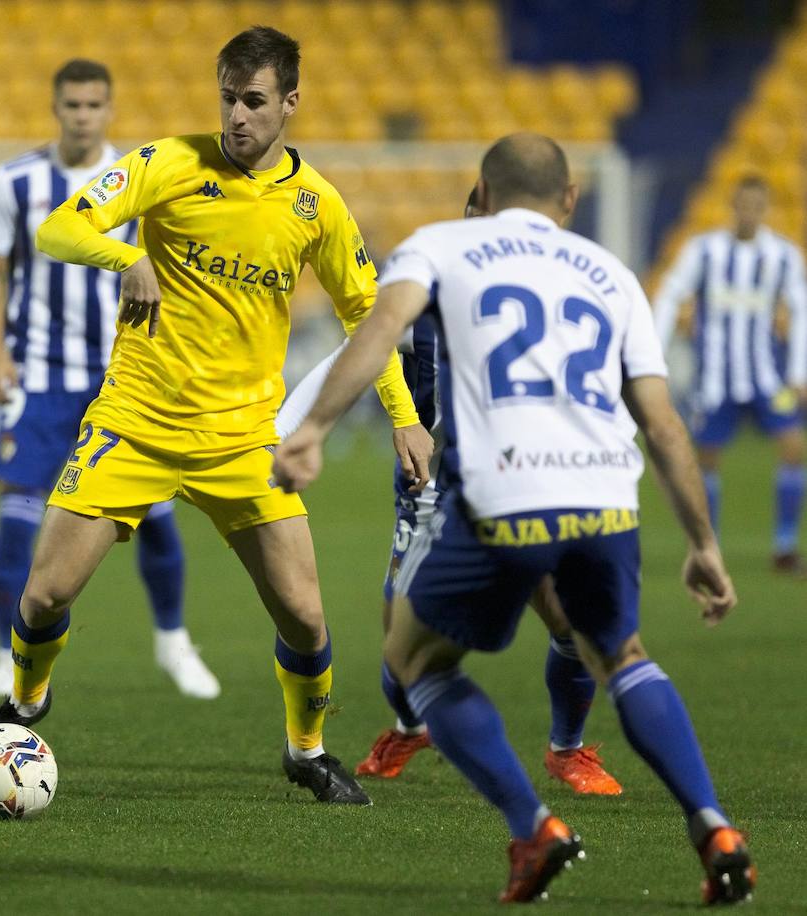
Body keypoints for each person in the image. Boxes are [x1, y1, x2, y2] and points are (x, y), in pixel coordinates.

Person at [0, 27, 434, 805]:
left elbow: (366, 315)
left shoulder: (318, 206)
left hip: (243, 437)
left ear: (290, 104)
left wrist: (404, 417)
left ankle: (306, 751)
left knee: (306, 618)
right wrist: (126, 256)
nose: (237, 117)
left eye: (254, 102)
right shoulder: (169, 162)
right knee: (43, 597)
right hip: (135, 419)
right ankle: (26, 705)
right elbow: (59, 227)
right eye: (227, 100)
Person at [274, 134, 753, 903]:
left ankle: (532, 827)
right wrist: (703, 543)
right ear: (570, 200)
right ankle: (714, 824)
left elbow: (376, 332)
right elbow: (663, 425)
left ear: (484, 196)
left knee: (417, 660)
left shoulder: (440, 247)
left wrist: (312, 430)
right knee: (623, 655)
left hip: (502, 494)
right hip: (604, 497)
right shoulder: (614, 276)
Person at [276, 188, 622, 795]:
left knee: (571, 624)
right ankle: (411, 726)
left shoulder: (542, 303)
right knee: (400, 651)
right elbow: (348, 356)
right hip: (432, 494)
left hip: (520, 483)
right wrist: (287, 432)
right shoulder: (425, 302)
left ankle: (567, 749)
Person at [0, 59, 218, 700]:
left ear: (110, 110)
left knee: (158, 517)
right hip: (40, 376)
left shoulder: (138, 180)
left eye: (94, 105)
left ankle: (173, 640)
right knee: (18, 518)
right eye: (73, 105)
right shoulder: (16, 182)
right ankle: (6, 652)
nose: (82, 115)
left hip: (125, 374)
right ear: (57, 108)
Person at [652, 174, 807, 573]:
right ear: (733, 205)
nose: (749, 213)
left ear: (765, 208)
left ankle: (785, 546)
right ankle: (709, 546)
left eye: (757, 206)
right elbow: (671, 292)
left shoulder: (783, 255)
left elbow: (801, 308)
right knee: (706, 460)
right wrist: (655, 351)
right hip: (715, 377)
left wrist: (798, 371)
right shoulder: (704, 251)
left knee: (793, 446)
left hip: (767, 375)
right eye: (743, 204)